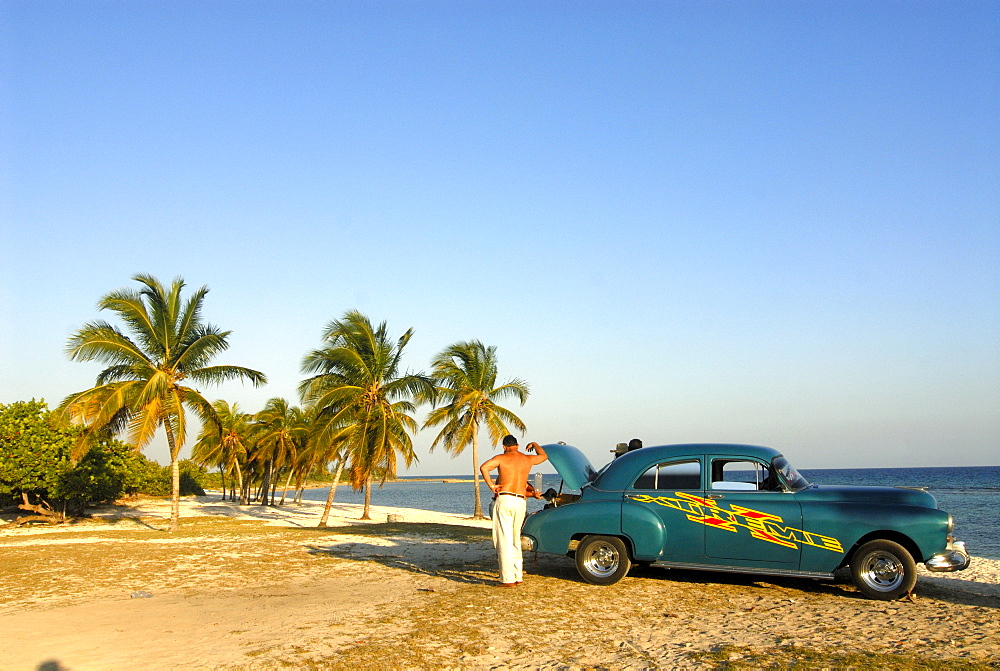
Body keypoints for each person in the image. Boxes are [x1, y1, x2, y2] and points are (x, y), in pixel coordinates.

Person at [479, 435, 548, 587]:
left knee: (504, 539)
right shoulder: (527, 459)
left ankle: (508, 579)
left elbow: (483, 467)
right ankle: (517, 575)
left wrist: (491, 485)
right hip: (520, 501)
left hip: (506, 499)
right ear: (517, 445)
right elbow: (544, 456)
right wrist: (535, 443)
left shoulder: (501, 458)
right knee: (515, 539)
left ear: (504, 446)